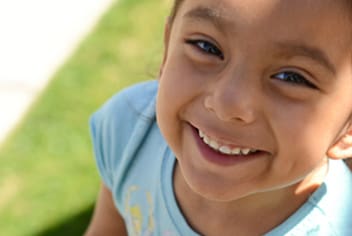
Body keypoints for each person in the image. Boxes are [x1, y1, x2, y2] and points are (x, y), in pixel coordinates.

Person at [85, 0, 352, 235]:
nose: (227, 105)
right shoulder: (132, 128)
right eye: (207, 47)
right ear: (167, 50)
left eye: (292, 77)